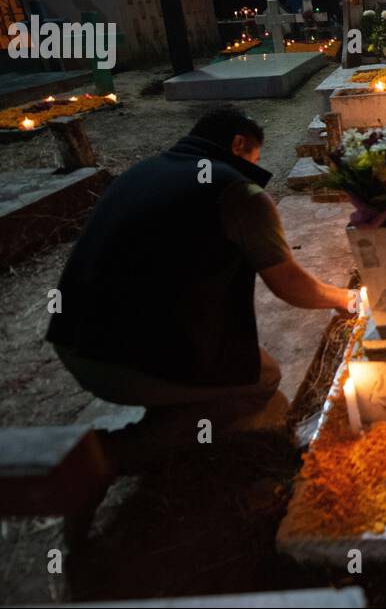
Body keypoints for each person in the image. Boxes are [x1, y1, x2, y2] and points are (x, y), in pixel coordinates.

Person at [47, 107, 352, 418]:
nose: (254, 169)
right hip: (120, 365)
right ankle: (131, 447)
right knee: (264, 377)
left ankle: (173, 396)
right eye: (255, 159)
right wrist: (346, 298)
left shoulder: (143, 171)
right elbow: (289, 285)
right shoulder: (237, 191)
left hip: (73, 342)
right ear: (237, 145)